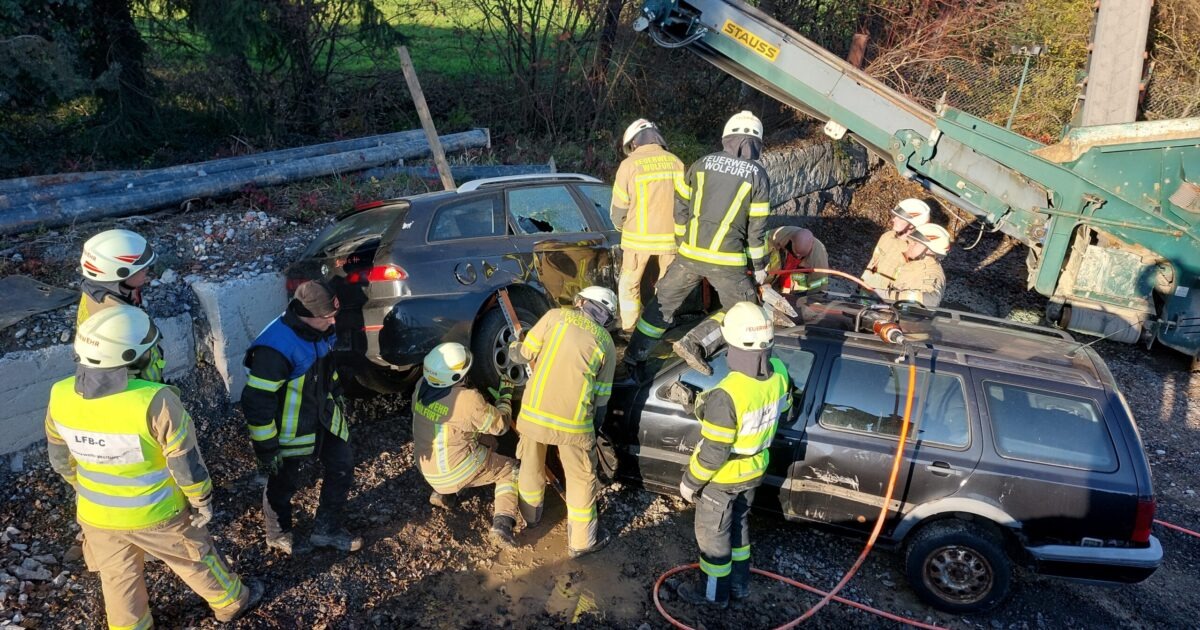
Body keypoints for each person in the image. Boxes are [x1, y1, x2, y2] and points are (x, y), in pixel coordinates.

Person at [45, 305, 263, 628]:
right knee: (194, 557)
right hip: (158, 514)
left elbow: (60, 458)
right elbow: (185, 462)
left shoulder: (60, 395)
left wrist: (81, 487)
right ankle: (231, 601)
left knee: (118, 578)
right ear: (134, 357)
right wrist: (200, 500)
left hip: (96, 515)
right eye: (152, 351)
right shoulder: (155, 401)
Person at [624, 111, 771, 368]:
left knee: (660, 306)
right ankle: (695, 343)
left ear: (727, 136)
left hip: (689, 256)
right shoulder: (757, 175)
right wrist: (759, 268)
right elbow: (756, 229)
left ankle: (633, 356)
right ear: (757, 142)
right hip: (727, 262)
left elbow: (680, 205)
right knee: (745, 312)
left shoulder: (701, 164)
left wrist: (682, 241)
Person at [675, 302, 791, 608]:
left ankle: (712, 596)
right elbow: (782, 408)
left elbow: (714, 453)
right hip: (755, 471)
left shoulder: (727, 394)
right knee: (738, 529)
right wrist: (700, 404)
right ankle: (739, 586)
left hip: (723, 479)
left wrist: (690, 483)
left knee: (713, 539)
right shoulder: (779, 372)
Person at [241, 280, 361, 555]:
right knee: (283, 482)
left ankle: (326, 529)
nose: (334, 322)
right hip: (288, 430)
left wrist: (338, 394)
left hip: (323, 416)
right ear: (307, 315)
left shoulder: (320, 329)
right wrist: (266, 449)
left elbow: (326, 367)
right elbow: (257, 403)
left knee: (342, 466)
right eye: (328, 317)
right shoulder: (274, 349)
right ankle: (278, 532)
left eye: (334, 315)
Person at [509, 286, 618, 558]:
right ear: (607, 317)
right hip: (575, 425)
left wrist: (514, 348)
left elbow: (525, 353)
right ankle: (581, 543)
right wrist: (595, 427)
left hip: (534, 415)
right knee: (581, 478)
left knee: (531, 465)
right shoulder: (606, 342)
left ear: (580, 302)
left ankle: (531, 517)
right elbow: (602, 396)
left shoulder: (555, 317)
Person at [671, 226, 826, 376]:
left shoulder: (817, 254)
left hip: (779, 292)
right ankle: (692, 343)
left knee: (743, 311)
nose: (797, 258)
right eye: (794, 253)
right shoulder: (772, 240)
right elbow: (756, 266)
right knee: (739, 312)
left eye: (801, 256)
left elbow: (819, 286)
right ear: (788, 242)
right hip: (741, 276)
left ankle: (693, 342)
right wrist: (760, 286)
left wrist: (805, 300)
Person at [412, 342, 521, 546]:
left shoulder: (420, 387)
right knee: (509, 469)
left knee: (485, 441)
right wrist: (505, 397)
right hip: (453, 470)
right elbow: (500, 426)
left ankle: (443, 494)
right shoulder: (467, 399)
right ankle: (502, 524)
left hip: (427, 468)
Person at [611, 119, 688, 332]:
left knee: (629, 285)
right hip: (671, 241)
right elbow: (687, 202)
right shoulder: (676, 163)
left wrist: (621, 227)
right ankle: (659, 326)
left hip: (637, 242)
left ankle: (629, 327)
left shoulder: (629, 165)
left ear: (634, 143)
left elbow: (619, 209)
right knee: (666, 287)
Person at [77, 229, 166, 382]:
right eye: (141, 267)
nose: (147, 270)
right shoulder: (119, 322)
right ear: (119, 273)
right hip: (143, 391)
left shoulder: (99, 290)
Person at [861, 198, 930, 293]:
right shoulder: (887, 236)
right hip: (865, 291)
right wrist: (860, 286)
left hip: (887, 300)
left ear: (912, 225)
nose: (894, 219)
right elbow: (873, 262)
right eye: (895, 216)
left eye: (900, 218)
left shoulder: (915, 250)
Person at [881, 223, 951, 308]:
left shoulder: (932, 272)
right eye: (910, 241)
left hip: (907, 320)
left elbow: (930, 300)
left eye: (915, 243)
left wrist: (886, 295)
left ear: (930, 250)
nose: (910, 245)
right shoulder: (910, 265)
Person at [767, 226, 828, 295]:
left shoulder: (819, 259)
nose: (798, 257)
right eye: (796, 253)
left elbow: (820, 284)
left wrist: (813, 300)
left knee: (801, 284)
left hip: (804, 273)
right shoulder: (781, 234)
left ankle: (797, 293)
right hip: (785, 257)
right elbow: (765, 240)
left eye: (801, 255)